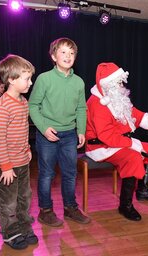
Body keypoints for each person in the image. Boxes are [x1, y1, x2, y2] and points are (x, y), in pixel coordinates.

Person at [85, 62, 148, 221]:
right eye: (118, 82)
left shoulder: (115, 97)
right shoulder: (97, 103)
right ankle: (125, 206)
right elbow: (106, 135)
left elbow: (133, 113)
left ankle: (143, 191)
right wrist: (133, 145)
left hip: (118, 141)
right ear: (108, 83)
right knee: (133, 158)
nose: (121, 84)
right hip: (101, 146)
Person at [29, 37, 91, 226]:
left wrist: (81, 130)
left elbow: (81, 108)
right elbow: (33, 105)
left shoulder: (79, 82)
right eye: (63, 52)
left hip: (70, 135)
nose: (68, 56)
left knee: (70, 173)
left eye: (72, 53)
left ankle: (70, 208)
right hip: (48, 134)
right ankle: (45, 211)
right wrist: (43, 128)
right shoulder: (44, 79)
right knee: (47, 174)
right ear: (53, 56)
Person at [0, 55, 37, 250]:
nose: (30, 82)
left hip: (22, 160)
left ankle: (24, 226)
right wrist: (6, 167)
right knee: (8, 201)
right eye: (26, 78)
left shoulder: (23, 102)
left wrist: (27, 149)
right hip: (6, 164)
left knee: (24, 196)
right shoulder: (1, 107)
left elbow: (24, 129)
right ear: (11, 79)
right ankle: (10, 233)